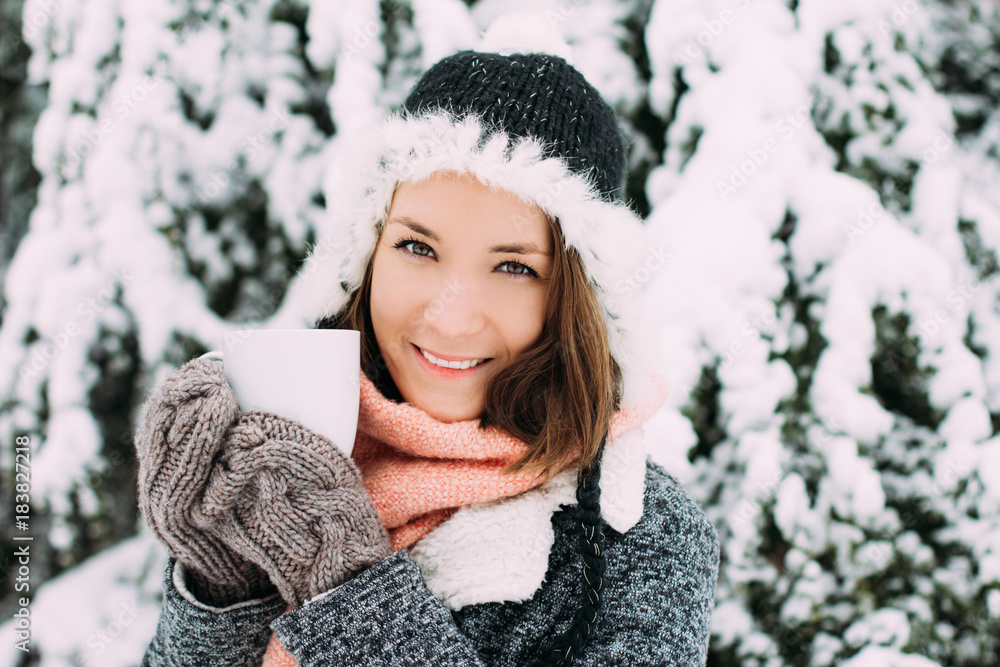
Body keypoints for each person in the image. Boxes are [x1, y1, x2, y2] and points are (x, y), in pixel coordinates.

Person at [135, 19, 719, 667]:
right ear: (366, 257)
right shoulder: (294, 456)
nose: (450, 317)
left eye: (514, 266)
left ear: (575, 301)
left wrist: (345, 580)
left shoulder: (636, 531)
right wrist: (221, 578)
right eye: (417, 247)